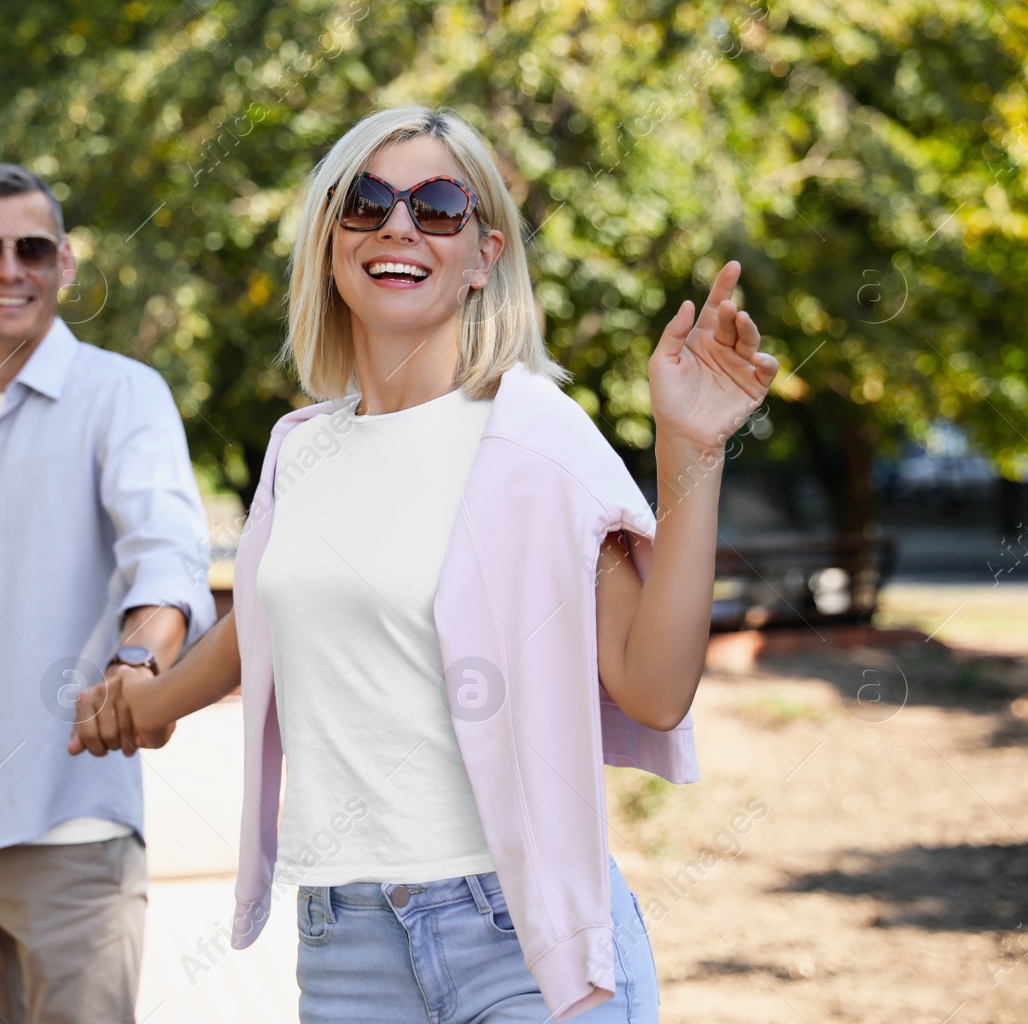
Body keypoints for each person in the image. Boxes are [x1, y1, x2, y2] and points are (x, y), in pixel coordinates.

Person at [70, 107, 778, 1022]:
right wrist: (147, 707)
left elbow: (654, 687)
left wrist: (690, 450)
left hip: (517, 939)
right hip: (346, 944)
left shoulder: (531, 436)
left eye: (437, 206)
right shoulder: (300, 451)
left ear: (483, 256)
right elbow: (277, 615)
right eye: (365, 203)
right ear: (331, 244)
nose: (398, 225)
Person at [0, 162, 218, 1023]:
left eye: (31, 248)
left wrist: (139, 659)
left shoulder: (123, 395)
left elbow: (169, 557)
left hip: (66, 833)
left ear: (65, 264)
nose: (8, 269)